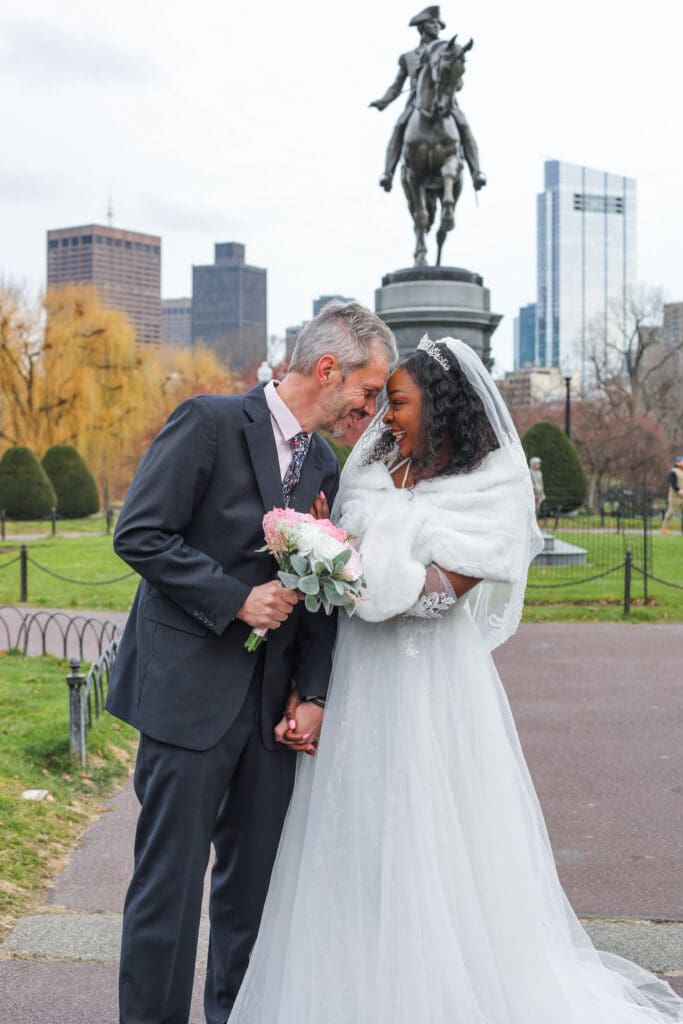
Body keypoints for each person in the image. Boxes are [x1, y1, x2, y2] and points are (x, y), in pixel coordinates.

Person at [228, 337, 683, 1024]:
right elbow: (340, 545)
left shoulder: (491, 485)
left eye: (399, 403)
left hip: (430, 684)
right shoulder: (371, 468)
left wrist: (358, 576)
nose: (384, 418)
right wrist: (323, 549)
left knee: (432, 836)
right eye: (382, 402)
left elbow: (444, 593)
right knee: (353, 836)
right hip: (357, 678)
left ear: (441, 407)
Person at [105, 300, 396, 1024]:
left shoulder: (324, 461)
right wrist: (236, 599)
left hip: (271, 715)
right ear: (327, 369)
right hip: (187, 699)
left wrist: (313, 694)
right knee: (167, 888)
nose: (369, 407)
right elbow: (139, 533)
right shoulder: (206, 423)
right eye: (366, 391)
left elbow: (324, 592)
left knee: (251, 895)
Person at [370, 5, 487, 193]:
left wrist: (454, 83)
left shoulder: (448, 49)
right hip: (416, 102)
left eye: (438, 24)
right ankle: (388, 173)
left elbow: (458, 79)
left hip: (445, 101)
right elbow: (397, 85)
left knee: (464, 126)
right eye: (432, 23)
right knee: (399, 127)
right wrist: (383, 101)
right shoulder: (408, 57)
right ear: (422, 27)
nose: (437, 27)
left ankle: (476, 172)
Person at [660, 455, 683, 534]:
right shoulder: (673, 472)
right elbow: (672, 482)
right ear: (678, 463)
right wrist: (678, 490)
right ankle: (664, 528)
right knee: (670, 513)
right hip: (675, 497)